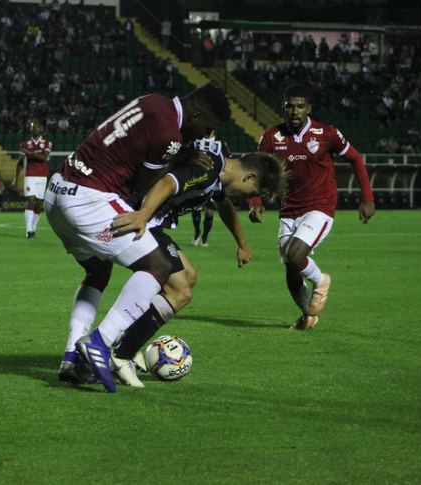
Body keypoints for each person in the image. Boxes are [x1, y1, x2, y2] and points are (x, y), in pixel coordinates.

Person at [46, 82, 231, 393]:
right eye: (207, 127)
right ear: (196, 113)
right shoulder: (169, 133)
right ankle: (100, 344)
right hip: (88, 199)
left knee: (97, 271)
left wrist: (180, 152)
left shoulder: (153, 100)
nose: (204, 136)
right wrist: (180, 157)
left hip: (57, 191)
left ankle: (71, 359)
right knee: (159, 266)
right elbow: (142, 183)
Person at [108, 138, 289, 387]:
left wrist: (242, 242)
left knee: (189, 276)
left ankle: (128, 341)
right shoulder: (210, 168)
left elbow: (224, 205)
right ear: (250, 177)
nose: (250, 198)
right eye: (254, 194)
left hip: (153, 225)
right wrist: (143, 215)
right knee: (180, 291)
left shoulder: (218, 178)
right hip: (141, 222)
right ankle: (122, 355)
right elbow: (168, 183)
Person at [248, 84, 375, 331]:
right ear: (284, 107)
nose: (294, 111)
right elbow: (256, 172)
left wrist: (367, 198)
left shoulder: (326, 133)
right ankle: (308, 314)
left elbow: (355, 159)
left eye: (299, 106)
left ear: (308, 108)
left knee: (296, 256)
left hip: (319, 206)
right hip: (289, 210)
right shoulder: (271, 137)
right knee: (291, 269)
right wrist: (255, 201)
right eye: (289, 106)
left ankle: (321, 281)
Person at [191, 135, 231, 247]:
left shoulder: (220, 142)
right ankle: (197, 232)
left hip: (214, 182)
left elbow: (228, 158)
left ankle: (204, 237)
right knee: (196, 209)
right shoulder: (196, 141)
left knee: (209, 212)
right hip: (197, 180)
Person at [15, 120, 52, 238]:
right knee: (30, 200)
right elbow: (20, 162)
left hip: (42, 176)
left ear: (41, 129)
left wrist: (29, 153)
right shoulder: (25, 144)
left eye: (37, 126)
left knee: (39, 204)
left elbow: (43, 158)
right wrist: (16, 179)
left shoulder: (47, 143)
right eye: (32, 127)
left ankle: (34, 228)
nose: (34, 128)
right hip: (30, 175)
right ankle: (29, 230)